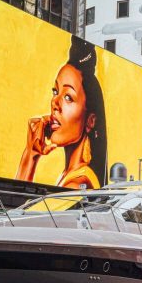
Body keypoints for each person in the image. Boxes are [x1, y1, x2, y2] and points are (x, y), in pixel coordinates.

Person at [16, 36, 108, 189]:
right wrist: (31, 151)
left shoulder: (77, 183)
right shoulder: (69, 175)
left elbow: (17, 212)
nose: (55, 103)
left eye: (68, 97)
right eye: (55, 91)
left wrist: (30, 157)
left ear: (90, 121)